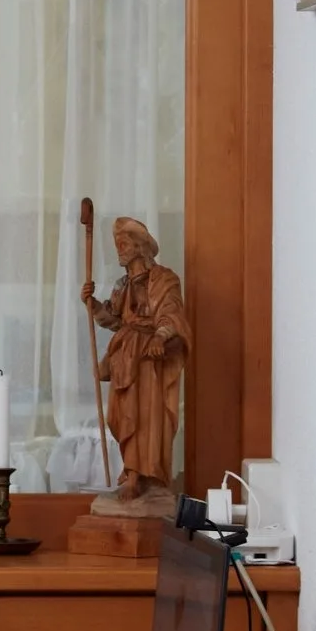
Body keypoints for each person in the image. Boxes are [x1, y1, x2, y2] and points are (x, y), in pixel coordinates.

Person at [81, 216, 191, 514]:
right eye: (118, 244)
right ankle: (131, 471)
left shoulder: (165, 279)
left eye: (125, 244)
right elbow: (115, 320)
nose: (120, 249)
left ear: (141, 248)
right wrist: (94, 306)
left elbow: (171, 314)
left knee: (146, 416)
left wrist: (160, 335)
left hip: (149, 359)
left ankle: (139, 476)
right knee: (120, 414)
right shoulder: (122, 284)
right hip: (125, 357)